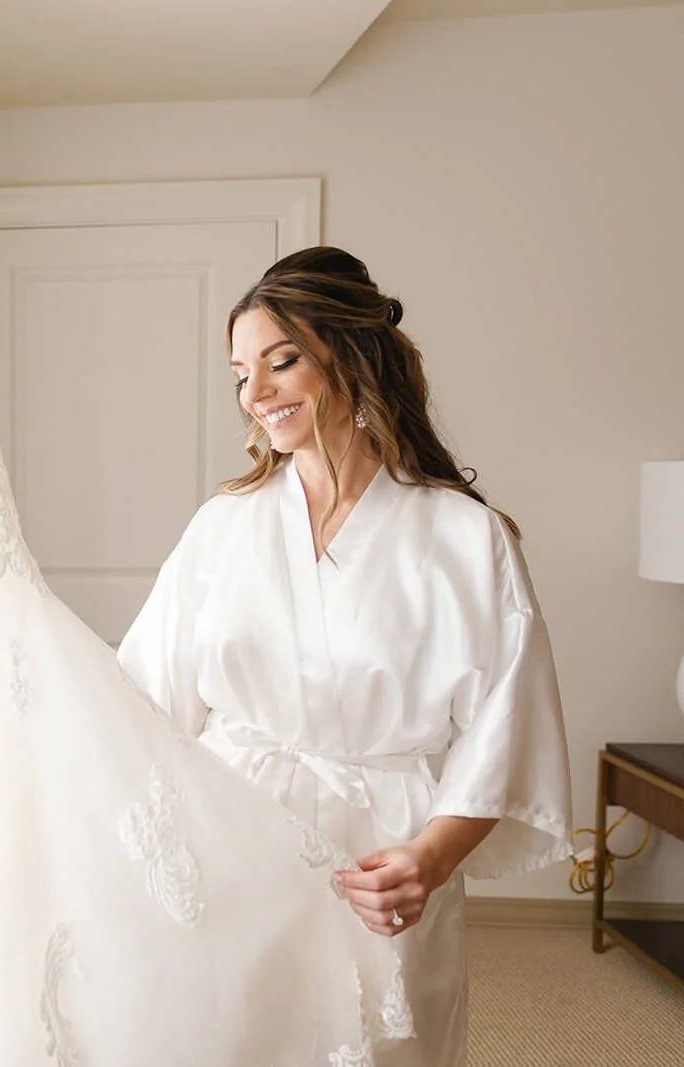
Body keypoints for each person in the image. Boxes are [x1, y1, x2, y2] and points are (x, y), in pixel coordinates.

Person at [117, 246, 573, 1066]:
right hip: (237, 850)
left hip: (382, 867)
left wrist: (427, 860)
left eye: (280, 361)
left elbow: (504, 733)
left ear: (349, 355)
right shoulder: (223, 526)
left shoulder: (465, 539)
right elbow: (142, 700)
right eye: (239, 374)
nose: (254, 395)